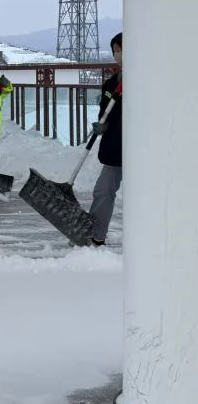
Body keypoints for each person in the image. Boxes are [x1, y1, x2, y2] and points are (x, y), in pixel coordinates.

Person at [88, 33, 122, 247]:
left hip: (144, 147)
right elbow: (105, 111)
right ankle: (94, 236)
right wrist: (103, 124)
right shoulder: (111, 84)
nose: (118, 55)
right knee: (103, 190)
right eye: (115, 51)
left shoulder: (149, 80)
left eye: (121, 49)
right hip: (115, 146)